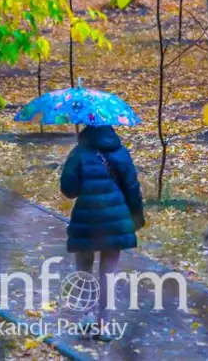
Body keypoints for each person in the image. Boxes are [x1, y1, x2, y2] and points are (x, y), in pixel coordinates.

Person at [60, 124, 145, 341]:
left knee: (84, 268)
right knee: (108, 272)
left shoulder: (79, 153)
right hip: (115, 221)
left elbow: (69, 190)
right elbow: (132, 188)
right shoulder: (121, 152)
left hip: (86, 219)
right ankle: (103, 325)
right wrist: (136, 219)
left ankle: (87, 314)